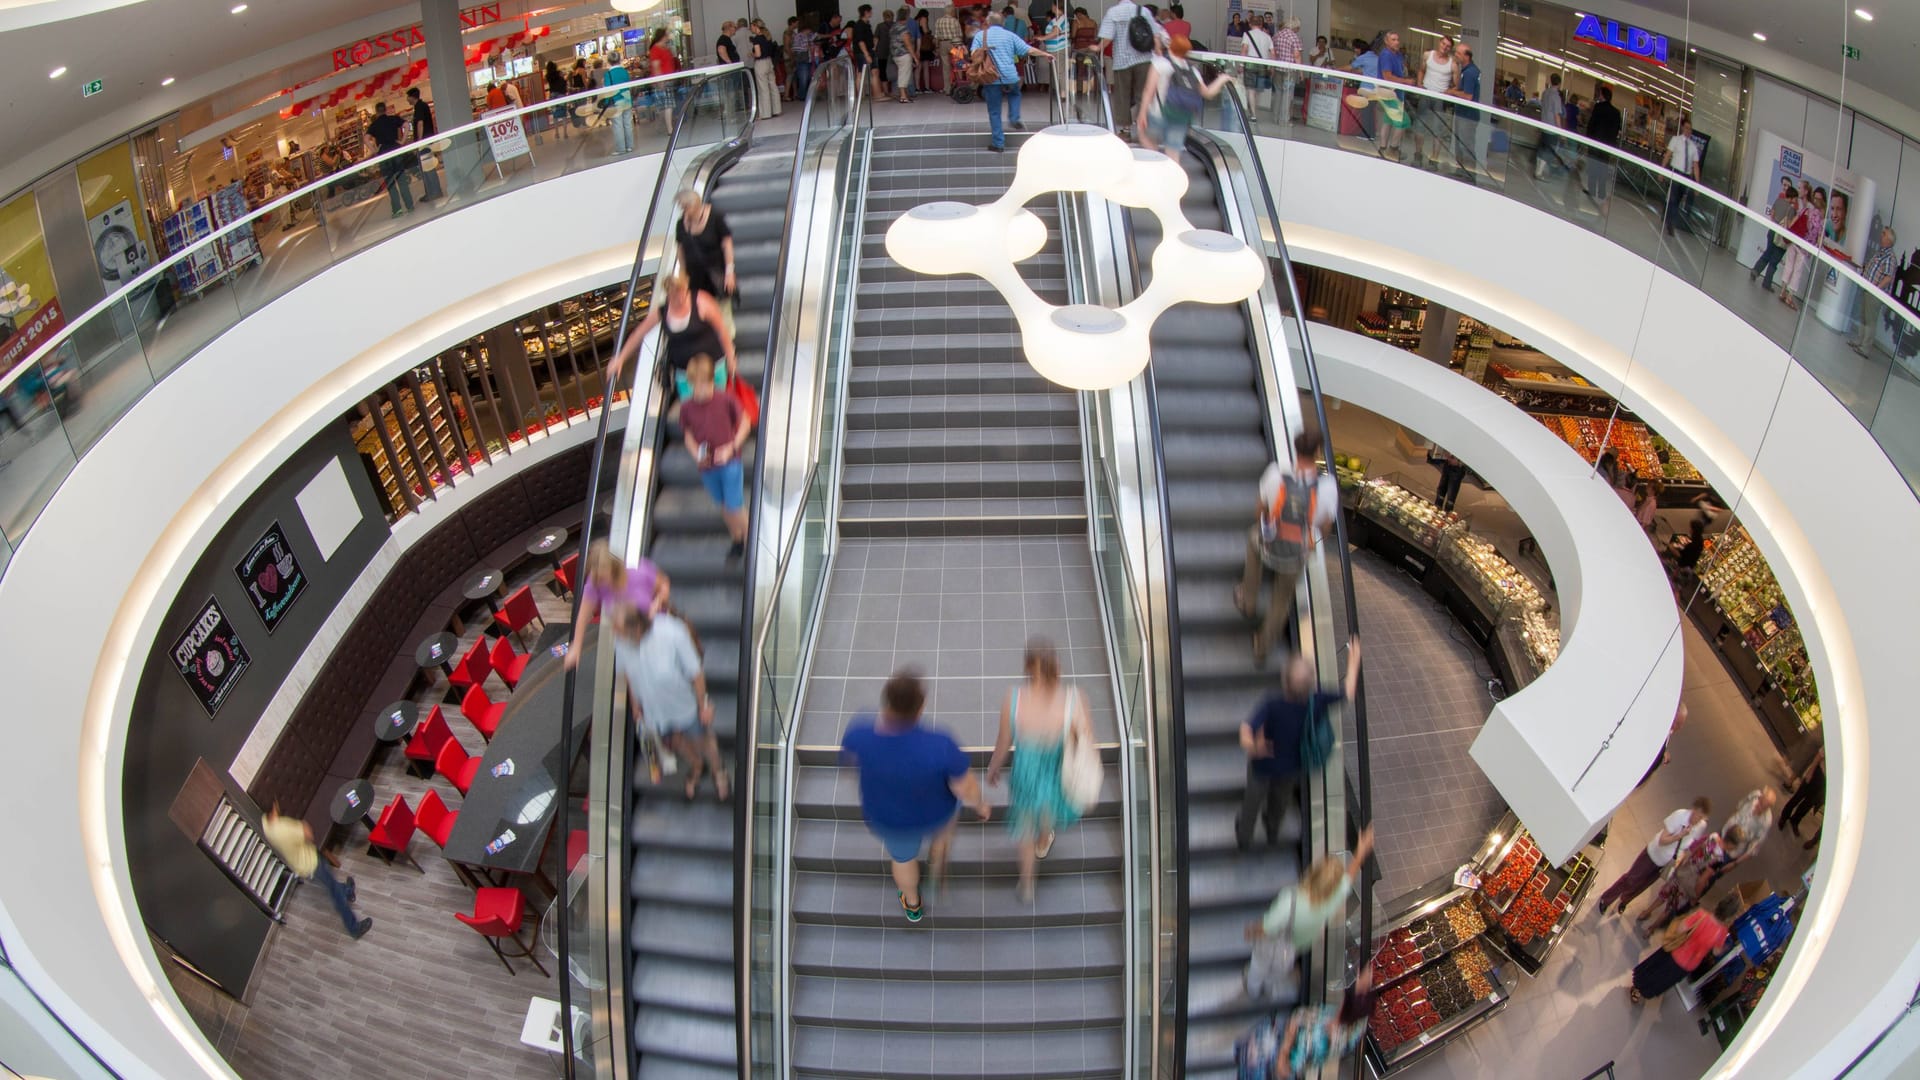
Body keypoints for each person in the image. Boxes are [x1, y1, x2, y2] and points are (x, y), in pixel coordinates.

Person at [840, 671, 991, 923]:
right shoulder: (940, 744)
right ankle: (936, 860)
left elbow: (850, 765)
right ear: (920, 708)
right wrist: (981, 804)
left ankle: (912, 903)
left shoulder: (859, 735)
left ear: (886, 702)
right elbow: (964, 787)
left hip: (889, 819)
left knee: (902, 859)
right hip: (937, 814)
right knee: (944, 832)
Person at [987, 639, 1094, 902]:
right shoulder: (1074, 699)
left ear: (1026, 667)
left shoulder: (1014, 699)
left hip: (1026, 773)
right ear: (1056, 666)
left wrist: (994, 767)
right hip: (1057, 771)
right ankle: (1045, 840)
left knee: (1024, 829)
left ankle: (1027, 884)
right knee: (1047, 811)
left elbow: (1004, 741)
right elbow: (1085, 739)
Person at [1236, 639, 1361, 850]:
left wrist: (1253, 747)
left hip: (1263, 765)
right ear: (1311, 683)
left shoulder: (1272, 704)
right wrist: (1353, 662)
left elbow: (1245, 730)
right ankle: (1272, 827)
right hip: (1293, 766)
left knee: (1252, 801)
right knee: (1281, 799)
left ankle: (1244, 836)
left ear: (1285, 682)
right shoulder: (1318, 701)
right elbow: (1348, 693)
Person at [1235, 428, 1340, 664]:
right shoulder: (1328, 487)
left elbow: (1258, 511)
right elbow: (1324, 527)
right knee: (1281, 600)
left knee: (1253, 538)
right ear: (1318, 452)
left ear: (1295, 448)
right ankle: (1262, 646)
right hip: (1295, 554)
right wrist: (1310, 545)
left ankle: (1248, 599)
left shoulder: (1275, 474)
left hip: (1268, 545)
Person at [613, 602, 729, 802]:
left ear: (637, 628)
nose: (618, 637)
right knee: (676, 742)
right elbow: (628, 675)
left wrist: (703, 704)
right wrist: (635, 705)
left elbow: (696, 672)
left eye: (622, 632)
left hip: (685, 706)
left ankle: (718, 770)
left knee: (703, 739)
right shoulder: (621, 641)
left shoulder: (671, 632)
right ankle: (696, 765)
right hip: (656, 712)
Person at [1245, 825, 1374, 998]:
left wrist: (1252, 930)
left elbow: (1268, 927)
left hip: (1273, 944)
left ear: (1314, 873)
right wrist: (1361, 852)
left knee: (1258, 966)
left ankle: (1253, 989)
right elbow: (1349, 877)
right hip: (1293, 948)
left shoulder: (1290, 899)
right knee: (1278, 970)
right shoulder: (1333, 899)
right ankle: (1268, 986)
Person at [608, 271, 737, 404]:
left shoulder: (701, 302)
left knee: (718, 405)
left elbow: (721, 329)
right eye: (676, 296)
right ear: (669, 295)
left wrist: (731, 357)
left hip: (712, 367)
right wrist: (621, 358)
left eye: (683, 293)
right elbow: (639, 333)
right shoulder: (663, 311)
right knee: (692, 410)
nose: (681, 299)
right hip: (686, 373)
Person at [1237, 963, 1380, 1078]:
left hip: (1273, 1056)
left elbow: (1284, 1070)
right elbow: (1298, 1019)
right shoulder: (1347, 1022)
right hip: (1274, 1044)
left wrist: (1287, 1042)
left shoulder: (1325, 1037)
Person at [677, 352, 752, 560]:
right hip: (708, 466)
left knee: (734, 506)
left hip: (730, 462)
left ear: (712, 381)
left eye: (703, 385)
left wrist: (731, 447)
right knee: (724, 506)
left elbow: (744, 424)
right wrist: (696, 455)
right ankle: (737, 538)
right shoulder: (687, 407)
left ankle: (751, 541)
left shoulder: (725, 399)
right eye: (695, 385)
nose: (699, 391)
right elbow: (688, 436)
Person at [263, 804, 371, 939]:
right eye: (275, 807)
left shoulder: (267, 827)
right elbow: (308, 834)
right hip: (312, 863)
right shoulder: (284, 828)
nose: (278, 807)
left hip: (301, 866)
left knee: (330, 883)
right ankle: (354, 928)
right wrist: (303, 825)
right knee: (335, 894)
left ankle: (348, 890)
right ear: (273, 811)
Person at [1594, 796, 1710, 916]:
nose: (1699, 820)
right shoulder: (1679, 816)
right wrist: (1679, 836)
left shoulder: (1701, 826)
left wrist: (1680, 858)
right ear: (1693, 809)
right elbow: (1662, 841)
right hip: (1653, 854)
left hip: (1666, 863)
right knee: (1631, 879)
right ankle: (1607, 899)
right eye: (1698, 815)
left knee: (1643, 884)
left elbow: (1689, 846)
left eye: (1702, 818)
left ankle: (1625, 899)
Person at [565, 539, 670, 669]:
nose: (601, 582)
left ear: (614, 568)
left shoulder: (639, 571)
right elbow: (583, 615)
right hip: (629, 640)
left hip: (656, 631)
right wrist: (576, 647)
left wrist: (657, 603)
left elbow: (664, 586)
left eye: (603, 577)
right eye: (598, 577)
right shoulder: (596, 582)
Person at [1634, 827, 1735, 936]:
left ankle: (1646, 913)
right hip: (1690, 883)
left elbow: (1695, 848)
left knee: (1663, 895)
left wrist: (1682, 863)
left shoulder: (1713, 837)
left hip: (1684, 870)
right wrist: (1695, 897)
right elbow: (1703, 879)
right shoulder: (1719, 859)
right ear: (1732, 844)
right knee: (1670, 908)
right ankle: (1651, 929)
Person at [1140, 35, 1229, 158]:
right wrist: (1222, 79)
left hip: (1158, 114)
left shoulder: (1160, 63)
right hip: (1181, 117)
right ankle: (1174, 174)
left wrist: (1142, 113)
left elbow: (1148, 90)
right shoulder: (1192, 71)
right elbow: (1208, 94)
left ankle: (1156, 163)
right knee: (1173, 154)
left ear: (1171, 47)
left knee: (1145, 138)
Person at [972, 13, 1048, 153]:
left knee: (994, 111)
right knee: (1015, 94)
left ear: (988, 22)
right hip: (1010, 75)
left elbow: (974, 55)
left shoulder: (980, 36)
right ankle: (1014, 117)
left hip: (991, 76)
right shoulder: (1010, 35)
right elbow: (1028, 50)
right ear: (1003, 23)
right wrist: (1045, 54)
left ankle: (998, 144)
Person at [1629, 907, 1728, 1005]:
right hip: (1689, 964)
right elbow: (1716, 952)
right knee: (1664, 979)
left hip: (1677, 950)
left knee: (1656, 969)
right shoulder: (1722, 932)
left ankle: (1637, 987)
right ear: (1728, 917)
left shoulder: (1701, 915)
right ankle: (1643, 992)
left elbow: (1681, 928)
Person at [1099, 0, 1168, 139]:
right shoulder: (1144, 11)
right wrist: (1159, 54)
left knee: (1122, 96)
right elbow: (1156, 35)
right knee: (1143, 94)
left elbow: (1107, 38)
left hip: (1122, 60)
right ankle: (1145, 128)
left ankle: (1125, 130)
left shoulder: (1113, 12)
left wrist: (1097, 47)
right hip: (1143, 59)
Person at [673, 188, 736, 337]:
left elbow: (727, 244)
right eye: (681, 207)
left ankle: (727, 347)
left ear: (695, 204)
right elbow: (681, 252)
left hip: (716, 277)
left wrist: (729, 272)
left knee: (723, 313)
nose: (683, 211)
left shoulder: (715, 218)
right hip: (696, 280)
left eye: (685, 207)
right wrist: (683, 278)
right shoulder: (681, 225)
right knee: (704, 316)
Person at [1851, 225, 1899, 355]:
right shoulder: (1881, 252)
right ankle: (1859, 341)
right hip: (1867, 289)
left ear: (1889, 240)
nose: (1881, 235)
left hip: (1875, 293)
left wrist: (1876, 289)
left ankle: (1865, 348)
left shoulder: (1890, 257)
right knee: (1864, 317)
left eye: (1883, 234)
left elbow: (1888, 277)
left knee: (1870, 320)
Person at [363, 101, 413, 217]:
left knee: (390, 184)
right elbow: (406, 125)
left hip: (384, 154)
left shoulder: (374, 125)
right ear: (385, 110)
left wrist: (374, 150)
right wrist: (402, 141)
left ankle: (397, 209)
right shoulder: (393, 119)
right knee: (402, 180)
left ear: (376, 111)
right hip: (396, 151)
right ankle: (410, 205)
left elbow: (366, 139)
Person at [1415, 34, 1457, 170]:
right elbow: (1421, 70)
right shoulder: (1427, 55)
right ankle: (1418, 154)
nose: (1445, 47)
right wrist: (1419, 83)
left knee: (1437, 130)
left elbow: (1457, 85)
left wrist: (1448, 92)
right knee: (1420, 126)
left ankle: (1434, 159)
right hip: (1426, 93)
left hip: (1440, 98)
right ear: (1439, 43)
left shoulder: (1453, 63)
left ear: (1450, 49)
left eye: (1448, 46)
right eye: (1443, 44)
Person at [1781, 188, 1826, 310]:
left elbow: (1794, 221)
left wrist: (1788, 232)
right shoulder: (1821, 218)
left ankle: (1782, 291)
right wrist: (1818, 248)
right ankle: (1790, 297)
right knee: (1797, 271)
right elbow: (1820, 236)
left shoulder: (1807, 210)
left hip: (1795, 241)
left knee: (1789, 265)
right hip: (1805, 248)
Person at [1580, 83, 1623, 210]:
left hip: (1596, 141)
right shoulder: (1616, 112)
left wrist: (1588, 137)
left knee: (1593, 165)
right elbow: (1617, 130)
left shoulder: (1598, 107)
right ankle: (1602, 191)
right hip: (1608, 144)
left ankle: (1592, 189)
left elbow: (1592, 124)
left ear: (1602, 96)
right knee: (1603, 166)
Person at [1718, 787, 1777, 874]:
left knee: (1713, 873)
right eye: (1760, 802)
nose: (1758, 807)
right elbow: (1739, 806)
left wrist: (1734, 864)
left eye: (1763, 807)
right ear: (1760, 796)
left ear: (1768, 808)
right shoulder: (1754, 795)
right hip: (1724, 833)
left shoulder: (1766, 822)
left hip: (1732, 850)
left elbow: (1754, 848)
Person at [1752, 181, 1799, 290]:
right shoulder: (1792, 210)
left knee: (1768, 253)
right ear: (1792, 198)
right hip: (1781, 237)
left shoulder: (1778, 201)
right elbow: (1789, 225)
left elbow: (1772, 214)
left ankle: (1755, 270)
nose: (1796, 201)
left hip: (1772, 231)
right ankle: (1767, 283)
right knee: (1774, 261)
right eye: (1796, 199)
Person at [1662, 116, 1701, 236]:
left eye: (1690, 129)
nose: (1688, 131)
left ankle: (1667, 215)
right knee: (1673, 198)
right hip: (1676, 172)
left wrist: (1697, 184)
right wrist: (1662, 170)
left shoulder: (1693, 147)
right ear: (1683, 128)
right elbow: (1668, 155)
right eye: (1686, 128)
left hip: (1685, 176)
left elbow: (1695, 166)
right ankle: (1670, 223)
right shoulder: (1676, 140)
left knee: (1677, 200)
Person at [1446, 43, 1481, 176]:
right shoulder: (1466, 71)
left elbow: (1468, 96)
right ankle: (1460, 172)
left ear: (1467, 56)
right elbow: (1462, 89)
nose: (1456, 55)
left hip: (1468, 116)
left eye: (1458, 54)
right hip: (1463, 114)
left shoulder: (1470, 72)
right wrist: (1453, 90)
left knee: (1466, 146)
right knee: (1460, 145)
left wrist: (1451, 92)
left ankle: (1468, 175)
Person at [1780, 749, 1825, 837]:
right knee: (1799, 796)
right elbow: (1820, 754)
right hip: (1819, 773)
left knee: (1808, 804)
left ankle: (1795, 821)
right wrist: (1810, 772)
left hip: (1825, 784)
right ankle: (1784, 816)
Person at [601, 57, 635, 155]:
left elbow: (607, 90)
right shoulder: (624, 71)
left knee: (617, 125)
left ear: (609, 61)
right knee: (628, 124)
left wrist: (606, 103)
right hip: (626, 99)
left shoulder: (608, 74)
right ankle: (630, 146)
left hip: (615, 101)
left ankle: (621, 148)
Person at [749, 20, 783, 116]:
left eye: (751, 26)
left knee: (763, 88)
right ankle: (777, 110)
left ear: (756, 26)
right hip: (769, 62)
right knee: (773, 86)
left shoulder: (757, 39)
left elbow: (758, 54)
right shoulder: (768, 36)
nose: (750, 28)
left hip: (761, 64)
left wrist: (752, 54)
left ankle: (766, 113)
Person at [934, 5, 964, 86]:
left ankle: (947, 88)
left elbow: (936, 36)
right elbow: (960, 35)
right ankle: (960, 84)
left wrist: (937, 47)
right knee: (958, 64)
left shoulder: (938, 21)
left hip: (943, 44)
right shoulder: (955, 21)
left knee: (946, 67)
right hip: (954, 44)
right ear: (952, 12)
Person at [791, 19, 818, 98]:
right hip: (802, 59)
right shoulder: (798, 36)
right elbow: (795, 48)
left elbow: (815, 37)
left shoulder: (809, 36)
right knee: (803, 78)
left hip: (810, 59)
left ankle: (807, 95)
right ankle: (802, 95)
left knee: (809, 77)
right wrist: (806, 47)